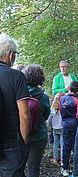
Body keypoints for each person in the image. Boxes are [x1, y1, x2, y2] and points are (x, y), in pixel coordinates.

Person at [0, 34, 30, 177]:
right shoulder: (16, 76)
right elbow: (24, 114)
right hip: (11, 141)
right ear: (11, 55)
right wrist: (24, 140)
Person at [22, 64, 50, 177]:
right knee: (33, 168)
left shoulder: (20, 93)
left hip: (22, 134)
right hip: (39, 136)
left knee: (20, 166)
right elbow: (46, 115)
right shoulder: (44, 97)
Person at [60, 81, 78, 176]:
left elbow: (61, 111)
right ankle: (76, 168)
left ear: (69, 88)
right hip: (75, 124)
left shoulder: (62, 99)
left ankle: (65, 168)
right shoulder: (77, 100)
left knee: (66, 146)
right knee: (75, 146)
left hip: (66, 124)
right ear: (77, 90)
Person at [49, 92, 66, 165]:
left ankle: (55, 158)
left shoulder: (53, 107)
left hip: (55, 127)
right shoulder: (64, 106)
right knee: (62, 143)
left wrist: (50, 126)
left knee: (55, 143)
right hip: (62, 126)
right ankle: (62, 160)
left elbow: (50, 118)